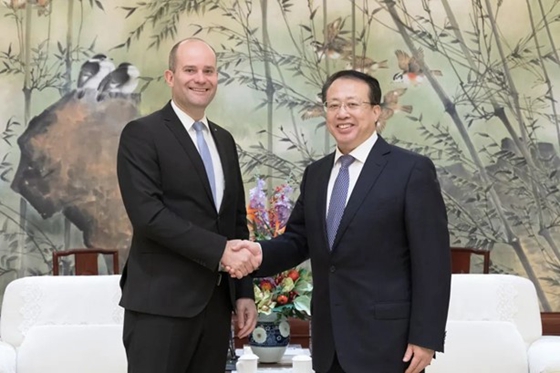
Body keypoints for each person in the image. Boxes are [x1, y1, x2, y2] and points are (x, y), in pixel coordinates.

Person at [232, 70, 451, 373]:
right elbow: (298, 241)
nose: (342, 113)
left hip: (390, 345)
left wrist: (425, 338)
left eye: (352, 104)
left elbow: (433, 263)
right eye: (333, 105)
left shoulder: (411, 171)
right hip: (329, 343)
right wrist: (258, 255)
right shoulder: (317, 174)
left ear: (376, 112)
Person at [116, 38, 260, 373]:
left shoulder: (224, 140)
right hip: (160, 306)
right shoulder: (141, 134)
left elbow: (235, 221)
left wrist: (243, 292)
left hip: (215, 307)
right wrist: (221, 252)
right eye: (190, 70)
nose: (201, 78)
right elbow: (148, 216)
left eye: (208, 71)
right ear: (170, 77)